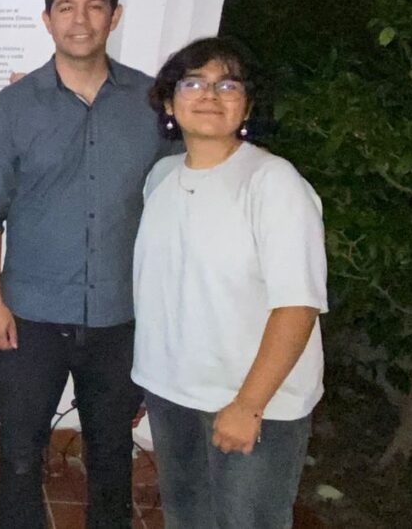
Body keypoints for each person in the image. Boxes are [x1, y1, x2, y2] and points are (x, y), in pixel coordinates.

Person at [0, 0, 172, 529]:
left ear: (115, 15)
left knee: (111, 457)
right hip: (29, 316)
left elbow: (180, 203)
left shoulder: (153, 105)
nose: (80, 21)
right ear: (47, 19)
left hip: (120, 317)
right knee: (19, 455)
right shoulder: (12, 108)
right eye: (66, 8)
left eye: (94, 6)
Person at [132, 37, 326, 529]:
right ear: (170, 103)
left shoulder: (273, 182)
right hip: (173, 394)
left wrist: (248, 405)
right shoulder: (161, 177)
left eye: (227, 85)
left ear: (248, 105)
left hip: (250, 402)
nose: (209, 95)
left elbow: (298, 306)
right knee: (186, 518)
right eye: (193, 83)